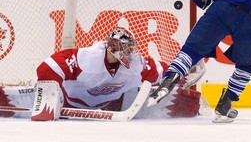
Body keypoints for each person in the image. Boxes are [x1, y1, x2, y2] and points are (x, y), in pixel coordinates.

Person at [0, 27, 203, 120]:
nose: (129, 53)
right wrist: (48, 97)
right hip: (65, 100)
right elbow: (47, 68)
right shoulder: (87, 58)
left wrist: (184, 74)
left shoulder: (137, 65)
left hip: (102, 104)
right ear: (112, 48)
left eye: (130, 48)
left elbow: (164, 73)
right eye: (124, 48)